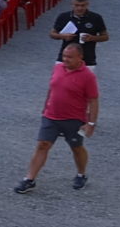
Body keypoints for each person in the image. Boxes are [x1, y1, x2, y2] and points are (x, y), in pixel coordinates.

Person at [17, 46, 99, 194]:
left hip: (73, 119)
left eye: (69, 57)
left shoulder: (88, 76)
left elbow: (93, 100)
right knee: (42, 145)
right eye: (64, 56)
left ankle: (81, 174)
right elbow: (52, 88)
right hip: (51, 116)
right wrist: (45, 107)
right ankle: (29, 179)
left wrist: (91, 123)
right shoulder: (58, 68)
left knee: (76, 147)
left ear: (80, 57)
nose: (65, 59)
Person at [50, 0, 108, 67]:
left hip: (87, 60)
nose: (79, 8)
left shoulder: (96, 18)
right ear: (72, 4)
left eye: (83, 5)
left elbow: (105, 36)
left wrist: (92, 38)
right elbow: (52, 34)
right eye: (77, 5)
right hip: (65, 59)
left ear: (87, 4)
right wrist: (63, 36)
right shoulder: (63, 17)